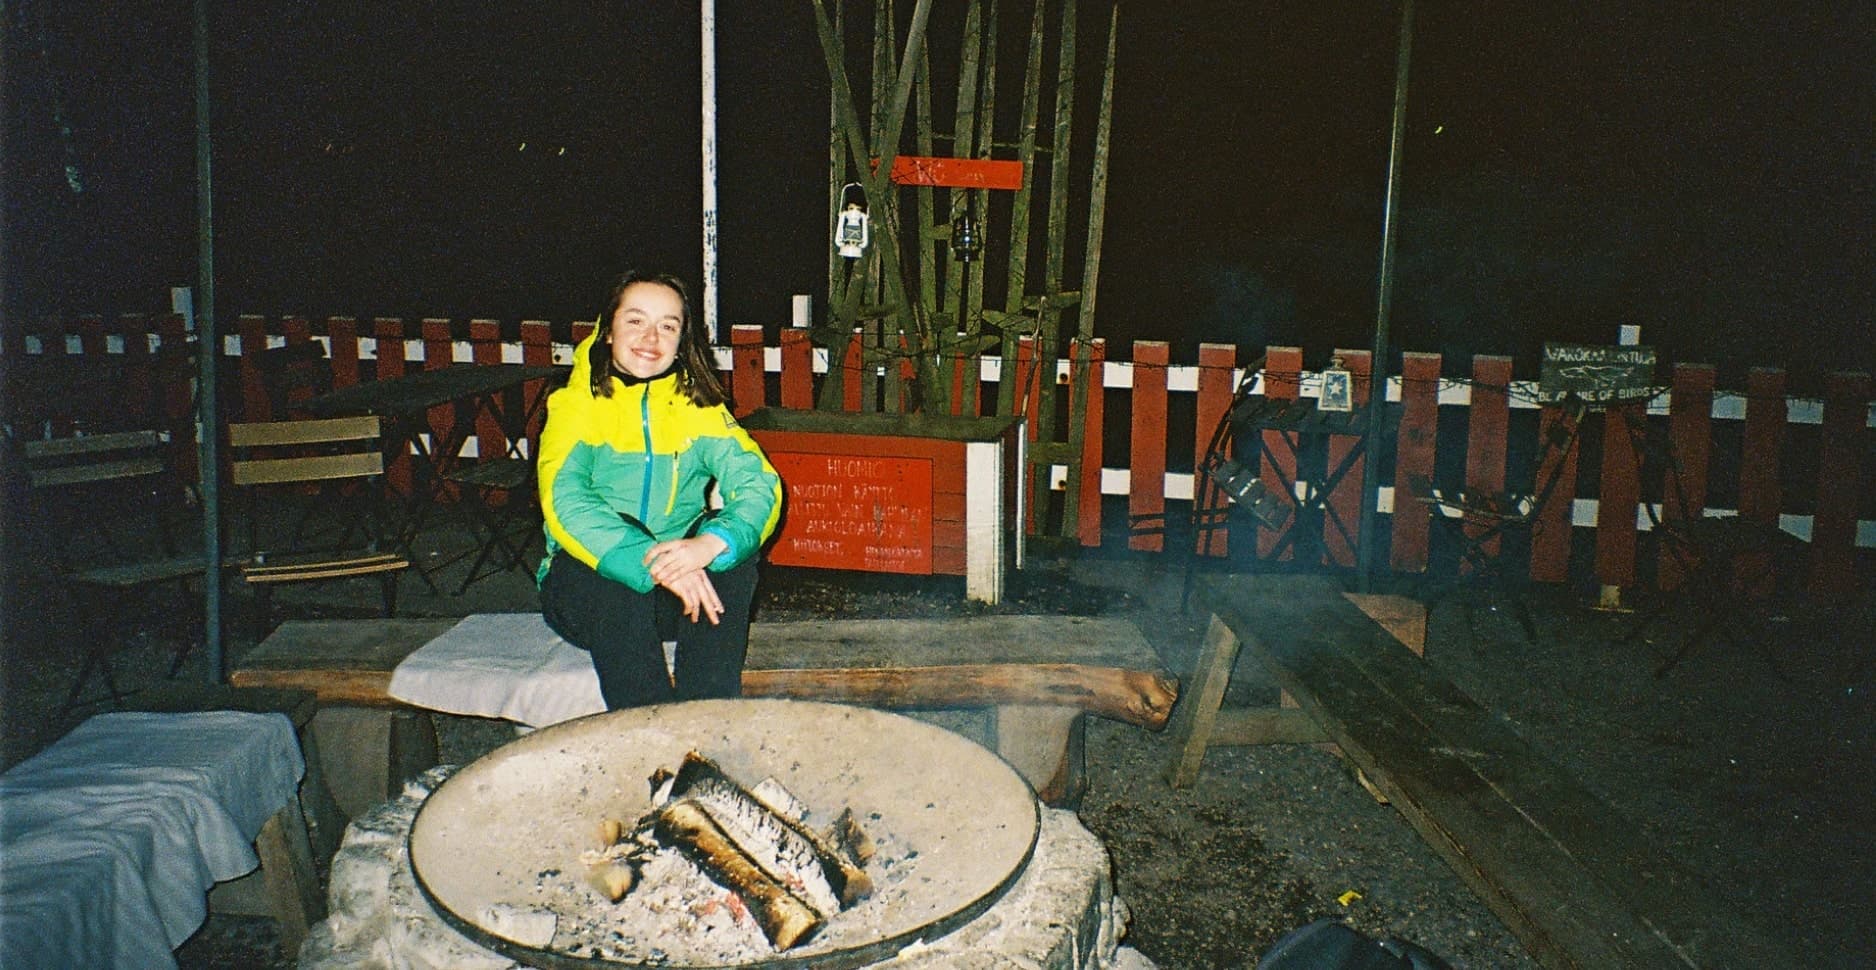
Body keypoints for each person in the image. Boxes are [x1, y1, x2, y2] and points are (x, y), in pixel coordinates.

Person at [536, 271, 783, 709]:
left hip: (677, 600)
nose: (651, 337)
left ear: (682, 339)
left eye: (667, 325)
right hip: (588, 598)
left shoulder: (698, 408)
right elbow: (566, 499)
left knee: (732, 550)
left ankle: (706, 718)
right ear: (607, 330)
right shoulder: (576, 406)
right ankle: (646, 731)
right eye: (635, 321)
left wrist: (708, 545)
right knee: (612, 563)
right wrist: (654, 559)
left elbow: (759, 482)